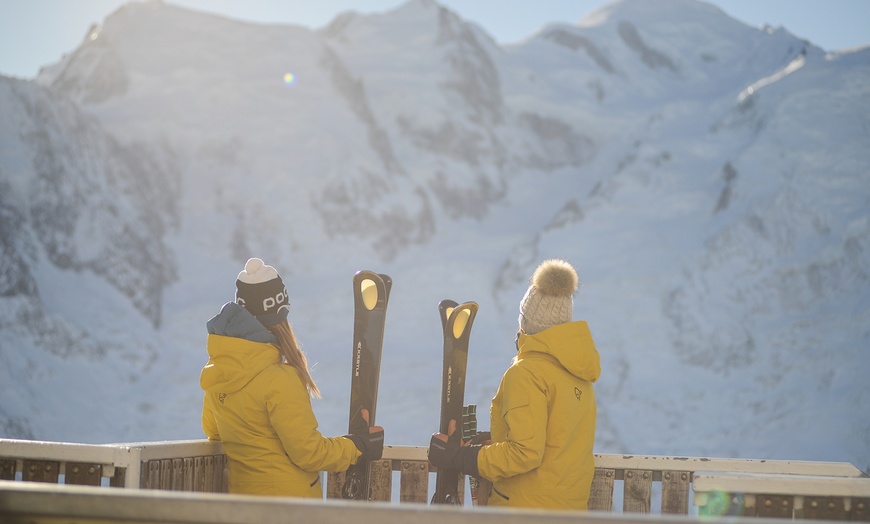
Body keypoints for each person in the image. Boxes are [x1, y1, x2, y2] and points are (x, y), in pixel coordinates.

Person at [200, 257, 384, 497]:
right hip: (288, 508)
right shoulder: (279, 379)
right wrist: (357, 446)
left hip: (244, 504)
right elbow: (309, 453)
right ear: (280, 314)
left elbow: (214, 432)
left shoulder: (220, 370)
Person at [428, 259, 601, 510]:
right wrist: (495, 440)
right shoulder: (579, 373)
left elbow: (525, 454)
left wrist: (461, 456)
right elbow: (555, 441)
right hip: (569, 509)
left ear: (528, 321)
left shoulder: (527, 373)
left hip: (526, 509)